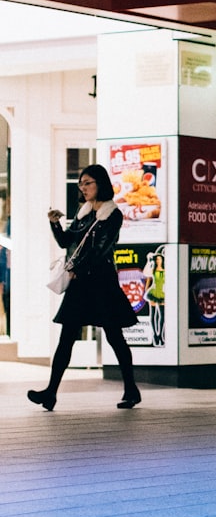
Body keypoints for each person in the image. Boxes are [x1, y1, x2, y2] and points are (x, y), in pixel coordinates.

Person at [29, 164, 141, 411]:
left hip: (101, 283)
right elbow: (65, 242)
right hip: (81, 283)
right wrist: (55, 223)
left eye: (87, 183)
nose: (83, 187)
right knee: (66, 337)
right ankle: (50, 393)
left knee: (114, 336)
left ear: (100, 183)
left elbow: (101, 249)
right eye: (81, 184)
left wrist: (76, 268)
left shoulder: (113, 214)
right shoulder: (84, 212)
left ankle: (131, 389)